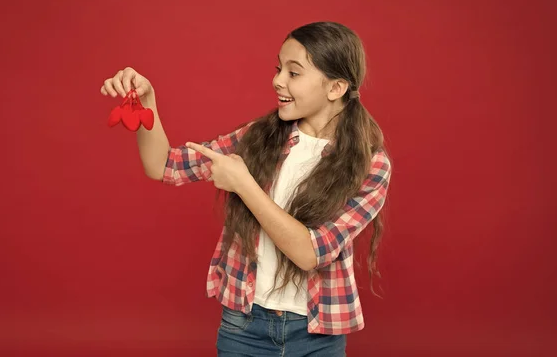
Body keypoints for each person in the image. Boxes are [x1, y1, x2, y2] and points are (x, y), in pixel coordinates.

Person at [100, 21, 392, 356]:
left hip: (316, 337)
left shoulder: (371, 164)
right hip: (244, 329)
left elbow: (310, 253)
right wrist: (147, 101)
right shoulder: (259, 137)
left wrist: (244, 184)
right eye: (278, 69)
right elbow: (164, 165)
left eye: (293, 73)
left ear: (336, 87)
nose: (277, 80)